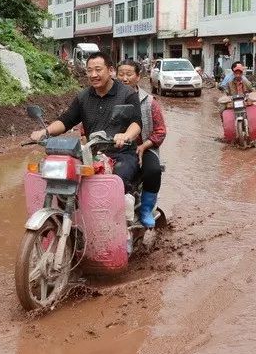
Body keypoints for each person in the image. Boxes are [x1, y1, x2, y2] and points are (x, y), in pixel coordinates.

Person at [30, 52, 142, 192]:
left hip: (121, 154)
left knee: (118, 182)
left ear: (111, 70)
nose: (93, 74)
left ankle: (124, 211)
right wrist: (45, 131)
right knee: (64, 175)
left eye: (98, 69)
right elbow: (66, 120)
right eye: (89, 70)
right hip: (91, 154)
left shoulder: (127, 94)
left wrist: (125, 136)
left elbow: (136, 123)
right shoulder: (83, 97)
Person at [117, 60, 166, 230]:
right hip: (115, 149)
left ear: (138, 77)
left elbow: (160, 131)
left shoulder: (149, 101)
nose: (124, 78)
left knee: (153, 170)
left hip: (143, 147)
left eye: (129, 74)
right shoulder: (111, 98)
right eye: (121, 74)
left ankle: (145, 209)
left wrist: (144, 146)